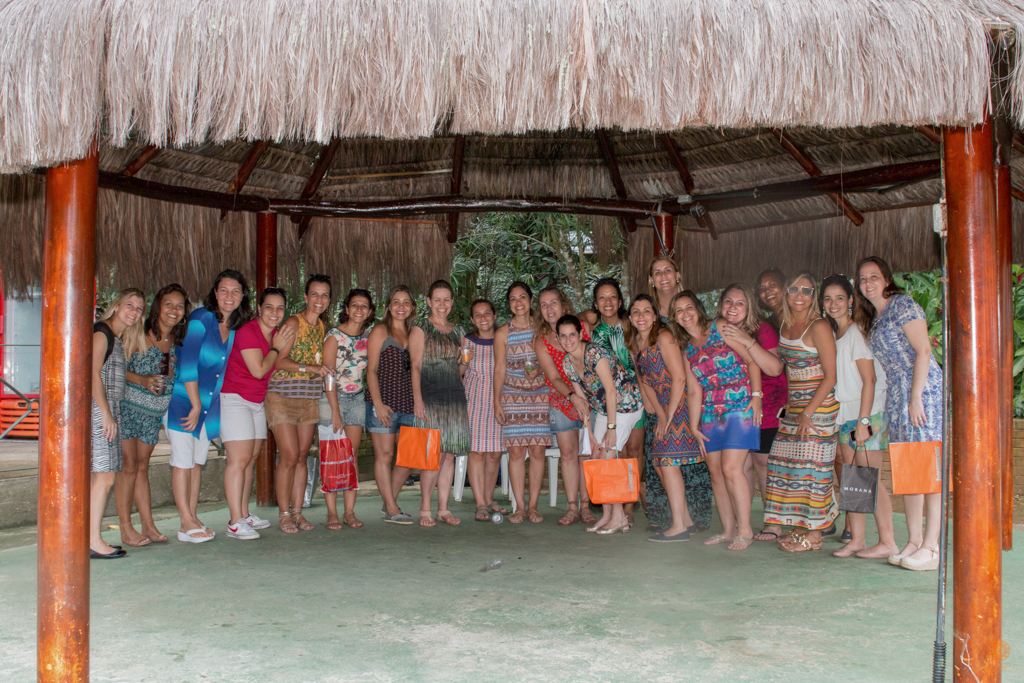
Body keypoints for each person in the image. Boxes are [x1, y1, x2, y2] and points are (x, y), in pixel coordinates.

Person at [857, 256, 944, 571]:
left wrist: (917, 396)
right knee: (909, 473)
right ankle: (914, 541)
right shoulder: (876, 317)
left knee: (928, 471)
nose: (868, 283)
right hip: (898, 397)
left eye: (874, 276)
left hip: (922, 393)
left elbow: (923, 350)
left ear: (886, 278)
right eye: (863, 278)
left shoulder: (903, 305)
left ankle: (932, 547)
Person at [672, 291, 761, 551]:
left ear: (699, 308)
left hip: (740, 405)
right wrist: (693, 425)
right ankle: (727, 530)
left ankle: (745, 531)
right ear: (675, 318)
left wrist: (756, 396)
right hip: (711, 413)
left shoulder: (719, 327)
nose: (685, 314)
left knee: (733, 469)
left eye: (689, 307)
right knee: (716, 474)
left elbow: (750, 360)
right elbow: (694, 390)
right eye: (679, 311)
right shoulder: (688, 347)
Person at [167, 270, 250, 543]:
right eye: (224, 290)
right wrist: (193, 404)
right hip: (185, 403)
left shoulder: (234, 328)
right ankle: (185, 522)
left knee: (195, 462)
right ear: (215, 293)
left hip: (208, 407)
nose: (229, 296)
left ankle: (191, 517)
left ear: (242, 296)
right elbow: (187, 365)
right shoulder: (200, 319)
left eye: (235, 291)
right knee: (182, 461)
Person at [762, 273, 840, 553]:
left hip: (818, 406)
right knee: (788, 467)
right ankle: (799, 529)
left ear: (813, 296)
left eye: (806, 290)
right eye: (794, 288)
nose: (799, 295)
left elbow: (830, 376)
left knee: (813, 471)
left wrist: (808, 411)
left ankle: (816, 536)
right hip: (795, 406)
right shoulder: (783, 324)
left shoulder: (818, 326)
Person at [821, 274, 896, 559]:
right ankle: (858, 540)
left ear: (851, 300)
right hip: (845, 414)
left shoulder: (857, 333)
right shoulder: (835, 336)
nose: (834, 303)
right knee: (852, 479)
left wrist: (864, 423)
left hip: (867, 414)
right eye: (828, 298)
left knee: (869, 478)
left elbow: (870, 380)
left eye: (840, 297)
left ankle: (888, 541)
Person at [558, 314, 644, 535]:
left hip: (625, 404)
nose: (568, 340)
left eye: (572, 335)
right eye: (563, 336)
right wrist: (590, 434)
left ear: (580, 335)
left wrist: (611, 430)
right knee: (596, 457)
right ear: (558, 338)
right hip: (602, 410)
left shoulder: (594, 352)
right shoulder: (568, 363)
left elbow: (611, 390)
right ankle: (606, 515)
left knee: (608, 458)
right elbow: (583, 403)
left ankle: (620, 517)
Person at [646, 256, 714, 532]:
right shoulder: (646, 310)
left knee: (695, 460)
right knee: (660, 458)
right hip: (657, 395)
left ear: (677, 275)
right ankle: (667, 517)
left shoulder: (690, 308)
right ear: (651, 280)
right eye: (656, 273)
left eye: (667, 271)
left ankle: (696, 517)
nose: (663, 276)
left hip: (690, 392)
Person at [219, 287, 293, 540]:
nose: (275, 312)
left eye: (280, 308)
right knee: (238, 460)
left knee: (250, 459)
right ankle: (234, 521)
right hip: (235, 399)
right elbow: (259, 370)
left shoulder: (275, 334)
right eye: (269, 307)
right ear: (259, 308)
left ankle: (243, 513)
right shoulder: (249, 332)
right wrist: (276, 348)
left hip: (256, 401)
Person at [118, 284, 189, 546]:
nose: (174, 310)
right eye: (168, 304)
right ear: (158, 306)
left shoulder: (176, 342)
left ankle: (148, 525)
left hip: (152, 416)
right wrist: (142, 380)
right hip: (128, 410)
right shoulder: (138, 333)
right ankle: (126, 527)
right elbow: (113, 368)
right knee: (128, 466)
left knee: (142, 467)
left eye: (179, 306)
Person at [627, 295, 702, 542]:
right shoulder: (636, 342)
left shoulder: (664, 336)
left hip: (679, 402)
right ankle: (687, 521)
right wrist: (658, 412)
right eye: (635, 312)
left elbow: (679, 378)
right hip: (662, 406)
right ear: (629, 317)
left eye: (646, 311)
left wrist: (669, 415)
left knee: (668, 465)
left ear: (655, 315)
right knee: (660, 465)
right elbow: (644, 380)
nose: (641, 316)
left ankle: (679, 526)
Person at [715, 283, 786, 527]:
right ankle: (741, 522)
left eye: (740, 303)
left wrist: (747, 340)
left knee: (763, 464)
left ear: (749, 307)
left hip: (766, 406)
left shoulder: (762, 330)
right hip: (735, 411)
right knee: (741, 466)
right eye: (728, 302)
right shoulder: (718, 331)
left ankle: (772, 522)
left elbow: (775, 369)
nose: (733, 307)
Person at [267, 274, 333, 533]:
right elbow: (278, 362)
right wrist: (312, 368)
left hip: (308, 398)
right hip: (282, 396)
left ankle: (298, 512)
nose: (319, 299)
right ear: (305, 297)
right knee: (290, 455)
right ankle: (284, 514)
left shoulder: (322, 328)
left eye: (324, 295)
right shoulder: (293, 322)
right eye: (314, 294)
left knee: (303, 456)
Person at [582, 278, 643, 525]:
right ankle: (616, 508)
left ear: (620, 301)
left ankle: (629, 507)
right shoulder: (591, 332)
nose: (608, 302)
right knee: (612, 453)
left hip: (634, 398)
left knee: (633, 452)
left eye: (612, 297)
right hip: (607, 402)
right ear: (596, 303)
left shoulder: (633, 324)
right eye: (602, 298)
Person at [90, 289, 145, 559]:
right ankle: (92, 540)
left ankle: (89, 537)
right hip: (100, 410)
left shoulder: (118, 338)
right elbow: (92, 374)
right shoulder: (102, 332)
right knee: (104, 476)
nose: (134, 312)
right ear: (116, 306)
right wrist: (105, 413)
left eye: (139, 308)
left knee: (102, 476)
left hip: (110, 410)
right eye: (129, 305)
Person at [410, 280, 471, 526]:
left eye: (446, 300)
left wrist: (466, 361)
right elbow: (414, 365)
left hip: (454, 397)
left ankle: (443, 509)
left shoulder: (459, 331)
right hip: (430, 398)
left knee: (449, 455)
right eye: (437, 300)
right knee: (432, 456)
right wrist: (417, 399)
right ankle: (425, 508)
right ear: (428, 301)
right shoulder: (421, 328)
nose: (442, 304)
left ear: (452, 302)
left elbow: (460, 371)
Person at [534, 285, 595, 527]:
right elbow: (553, 377)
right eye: (544, 304)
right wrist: (572, 396)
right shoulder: (541, 340)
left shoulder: (581, 326)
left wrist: (585, 397)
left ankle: (586, 505)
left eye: (553, 302)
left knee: (587, 454)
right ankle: (571, 507)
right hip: (563, 399)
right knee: (568, 454)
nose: (549, 308)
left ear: (563, 304)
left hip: (591, 397)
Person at [494, 281, 551, 523]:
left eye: (523, 297)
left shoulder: (543, 328)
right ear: (509, 304)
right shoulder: (503, 332)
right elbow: (499, 368)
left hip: (539, 396)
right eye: (513, 299)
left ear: (530, 300)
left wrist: (538, 372)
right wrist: (497, 401)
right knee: (516, 452)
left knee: (538, 451)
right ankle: (519, 507)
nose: (518, 302)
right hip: (511, 396)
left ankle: (534, 506)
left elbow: (552, 363)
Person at [321, 288, 375, 530]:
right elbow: (329, 376)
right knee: (332, 455)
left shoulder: (369, 337)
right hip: (332, 399)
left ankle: (349, 511)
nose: (359, 310)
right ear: (346, 308)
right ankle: (331, 512)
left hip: (357, 399)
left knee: (350, 456)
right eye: (355, 305)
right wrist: (334, 410)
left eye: (364, 306)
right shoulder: (334, 336)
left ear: (370, 311)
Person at [366, 285, 418, 525]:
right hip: (384, 402)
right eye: (396, 302)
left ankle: (389, 502)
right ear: (388, 306)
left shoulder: (415, 333)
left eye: (406, 302)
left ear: (413, 307)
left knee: (409, 458)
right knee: (385, 456)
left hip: (409, 403)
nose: (401, 307)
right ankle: (392, 507)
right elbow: (372, 370)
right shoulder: (380, 330)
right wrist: (377, 403)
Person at [462, 299, 507, 521]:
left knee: (495, 452)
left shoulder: (503, 338)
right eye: (477, 315)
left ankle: (489, 498)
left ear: (494, 315)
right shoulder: (468, 341)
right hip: (474, 401)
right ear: (472, 319)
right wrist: (463, 358)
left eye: (487, 313)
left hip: (499, 401)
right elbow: (460, 370)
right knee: (477, 452)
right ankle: (480, 502)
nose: (483, 318)